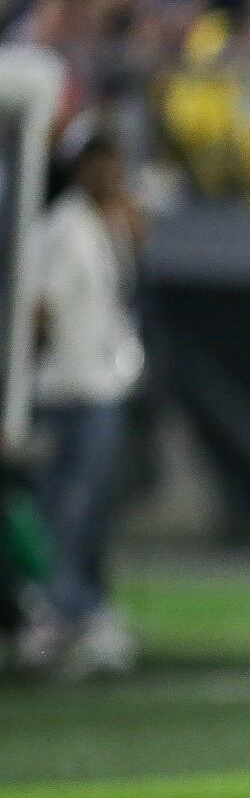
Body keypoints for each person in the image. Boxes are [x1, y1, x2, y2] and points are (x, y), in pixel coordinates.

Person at [15, 127, 144, 680]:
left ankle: (82, 612)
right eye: (100, 161)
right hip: (68, 392)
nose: (111, 172)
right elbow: (38, 312)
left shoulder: (102, 223)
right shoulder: (62, 226)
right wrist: (20, 389)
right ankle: (58, 618)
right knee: (67, 512)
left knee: (90, 515)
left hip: (100, 388)